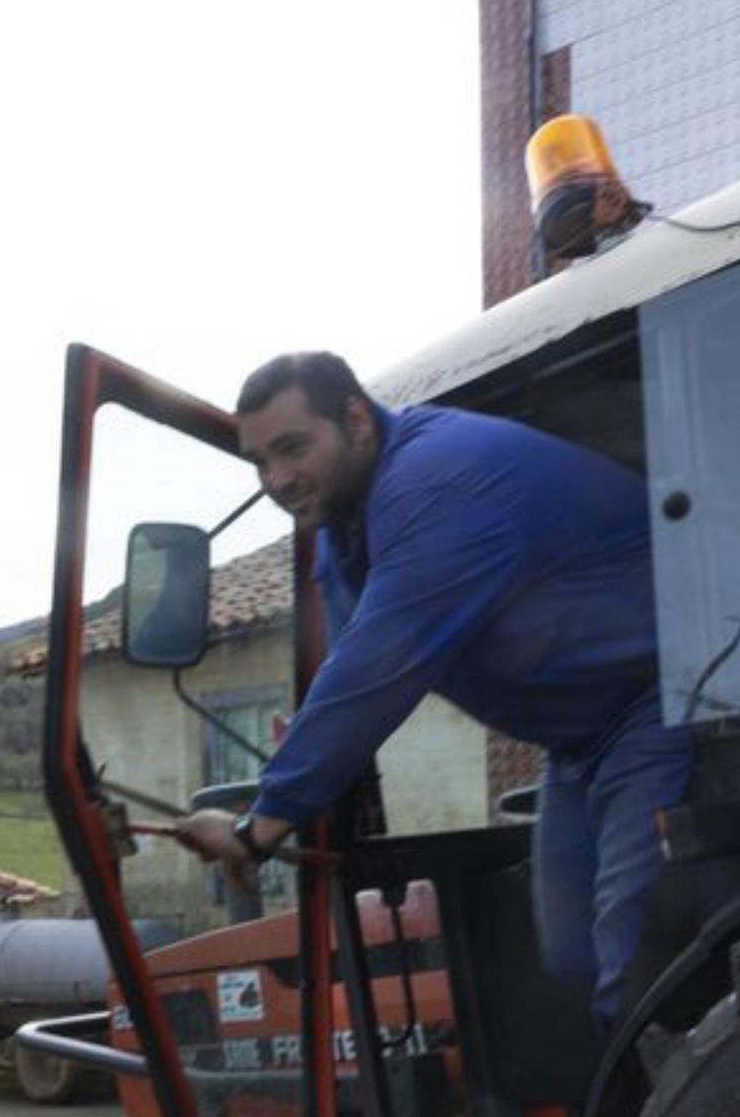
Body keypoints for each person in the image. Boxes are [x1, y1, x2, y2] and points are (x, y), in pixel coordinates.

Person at [175, 351, 692, 1029]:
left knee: (638, 970)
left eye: (292, 448)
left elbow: (373, 673)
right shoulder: (341, 542)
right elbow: (340, 687)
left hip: (669, 699)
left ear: (356, 420)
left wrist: (258, 828)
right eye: (259, 462)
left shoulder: (436, 479)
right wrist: (300, 809)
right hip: (580, 742)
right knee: (571, 956)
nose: (276, 479)